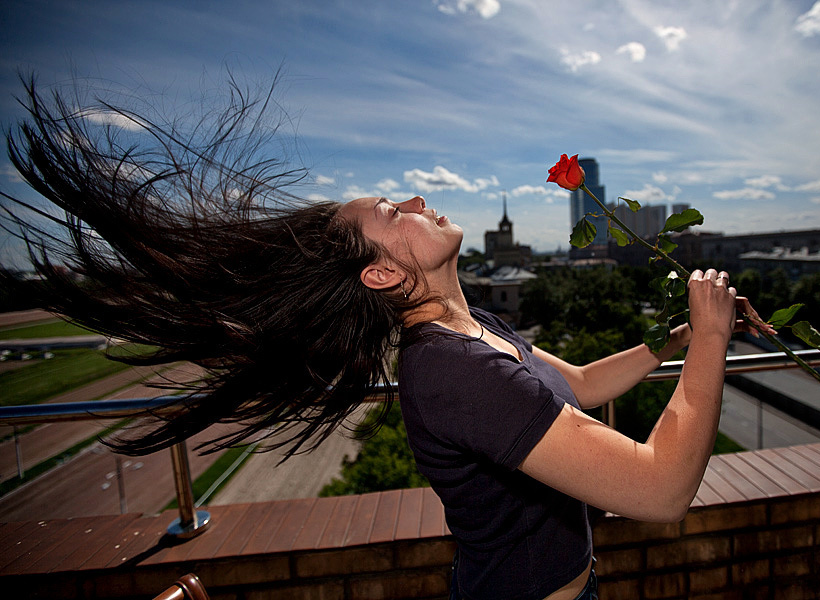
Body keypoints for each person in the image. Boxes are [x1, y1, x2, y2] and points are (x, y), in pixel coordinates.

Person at [2, 78, 773, 600]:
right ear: (378, 276)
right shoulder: (453, 370)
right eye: (388, 210)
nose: (415, 197)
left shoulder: (474, 331)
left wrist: (679, 335)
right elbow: (662, 489)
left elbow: (583, 387)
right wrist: (712, 341)